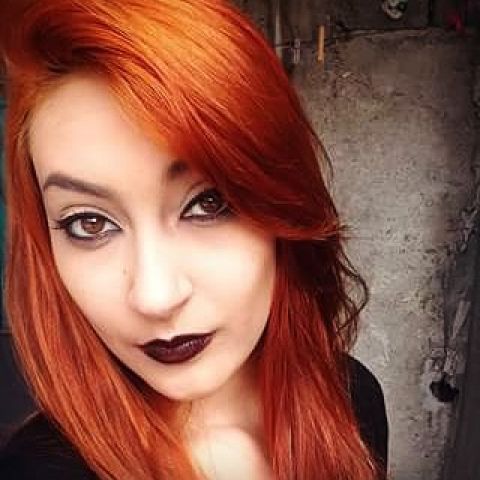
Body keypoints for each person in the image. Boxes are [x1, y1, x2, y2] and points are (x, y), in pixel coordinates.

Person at [0, 0, 388, 478]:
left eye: (209, 203)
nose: (155, 296)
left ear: (284, 204)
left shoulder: (351, 399)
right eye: (90, 223)